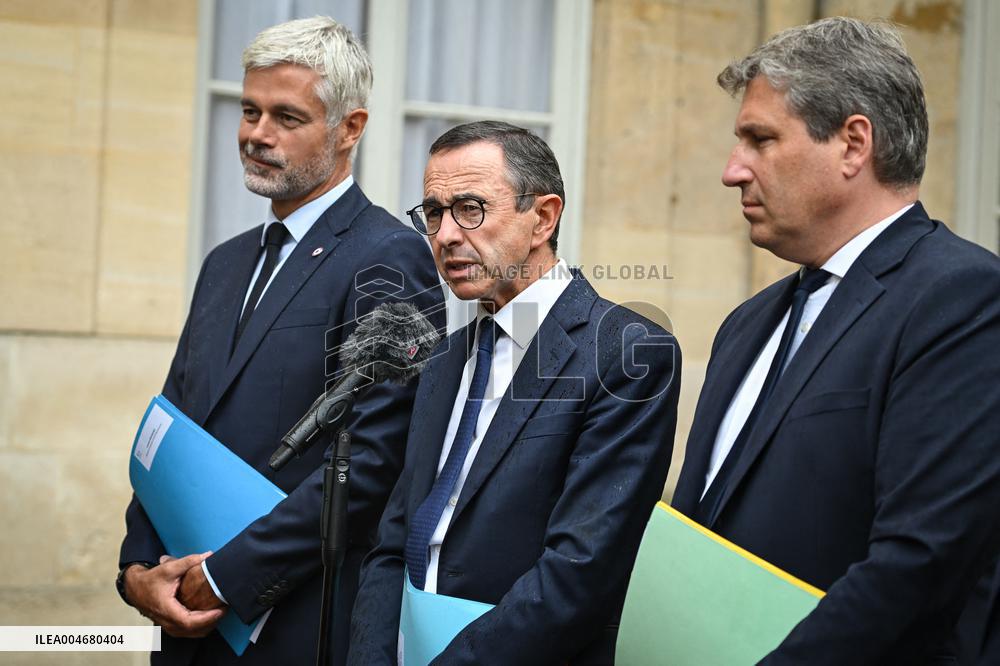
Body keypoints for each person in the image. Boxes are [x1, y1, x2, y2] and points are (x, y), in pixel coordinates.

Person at [671, 16, 1000, 665]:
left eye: (759, 139)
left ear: (853, 144)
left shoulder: (963, 298)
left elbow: (918, 560)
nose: (731, 171)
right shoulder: (746, 324)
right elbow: (690, 538)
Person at [116, 17, 445, 665]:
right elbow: (170, 432)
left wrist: (225, 579)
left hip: (295, 628)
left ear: (350, 127)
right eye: (248, 111)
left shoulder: (392, 258)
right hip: (182, 626)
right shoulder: (225, 263)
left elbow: (370, 463)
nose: (256, 135)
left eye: (286, 118)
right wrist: (137, 571)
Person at [347, 121, 680, 664]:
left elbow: (580, 570)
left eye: (471, 209)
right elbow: (393, 543)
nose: (447, 234)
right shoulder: (442, 360)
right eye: (433, 213)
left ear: (543, 218)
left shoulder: (626, 352)